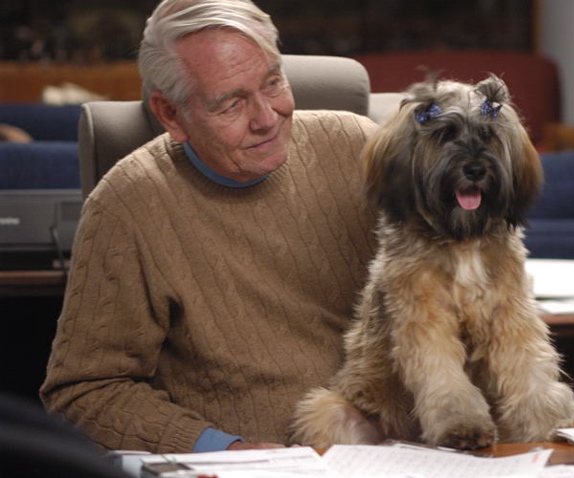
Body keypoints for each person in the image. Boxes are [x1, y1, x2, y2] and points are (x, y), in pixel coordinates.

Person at [40, 0, 378, 454]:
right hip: (255, 465)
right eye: (231, 103)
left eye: (273, 83)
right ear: (171, 115)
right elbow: (84, 391)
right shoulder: (127, 205)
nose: (266, 118)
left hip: (401, 452)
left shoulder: (359, 147)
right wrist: (225, 450)